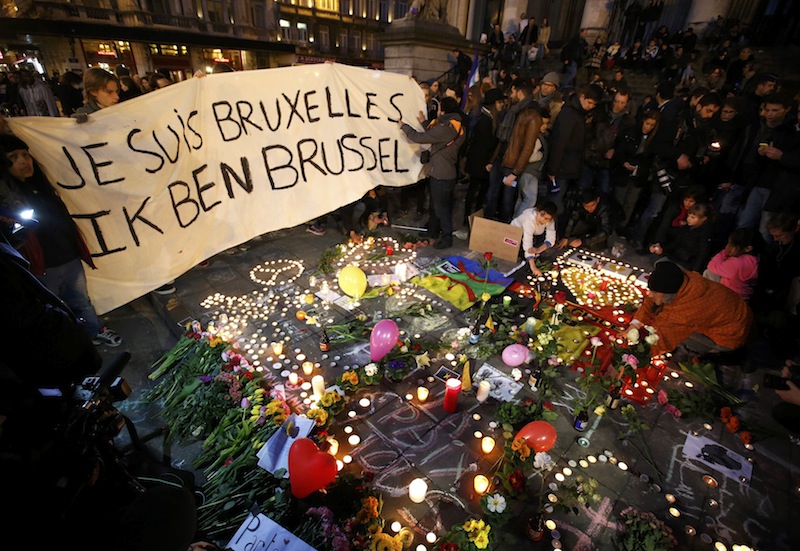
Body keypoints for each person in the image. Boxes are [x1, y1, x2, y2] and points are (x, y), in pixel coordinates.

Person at [0, 134, 123, 347]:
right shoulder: (8, 201)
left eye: (26, 155)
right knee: (54, 308)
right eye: (14, 156)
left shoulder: (44, 187)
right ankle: (72, 343)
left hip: (68, 256)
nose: (23, 161)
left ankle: (94, 332)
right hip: (41, 265)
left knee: (81, 301)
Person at [74, 69, 176, 295]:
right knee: (126, 237)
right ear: (93, 92)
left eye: (117, 91)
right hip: (109, 190)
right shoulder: (81, 119)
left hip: (134, 185)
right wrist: (77, 126)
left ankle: (157, 275)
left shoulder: (122, 112)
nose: (115, 96)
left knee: (148, 232)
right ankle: (136, 280)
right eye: (109, 92)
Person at [629, 260, 754, 359]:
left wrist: (635, 357)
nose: (650, 295)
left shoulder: (688, 310)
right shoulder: (685, 281)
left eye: (655, 292)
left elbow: (663, 339)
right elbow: (652, 300)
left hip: (731, 335)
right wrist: (635, 324)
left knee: (682, 338)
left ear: (669, 293)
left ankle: (701, 354)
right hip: (739, 312)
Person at [399, 96, 465, 250]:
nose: (438, 111)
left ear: (445, 110)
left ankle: (446, 237)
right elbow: (435, 132)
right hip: (444, 173)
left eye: (440, 108)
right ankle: (433, 231)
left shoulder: (446, 128)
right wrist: (424, 122)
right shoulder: (456, 126)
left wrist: (404, 126)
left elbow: (420, 137)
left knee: (441, 208)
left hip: (441, 175)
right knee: (436, 206)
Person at [546, 84, 602, 215]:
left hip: (569, 166)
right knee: (555, 201)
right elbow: (560, 142)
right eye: (589, 103)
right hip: (562, 167)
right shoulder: (570, 114)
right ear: (582, 96)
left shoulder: (577, 113)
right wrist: (553, 169)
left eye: (593, 104)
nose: (590, 106)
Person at [612, 110, 659, 232]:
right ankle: (612, 225)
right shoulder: (630, 132)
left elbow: (651, 160)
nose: (648, 127)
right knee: (618, 200)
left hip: (639, 177)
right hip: (623, 174)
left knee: (630, 203)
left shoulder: (654, 140)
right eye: (647, 123)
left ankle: (622, 227)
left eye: (651, 125)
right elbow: (620, 151)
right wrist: (624, 163)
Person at [462, 87, 503, 223]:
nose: (501, 105)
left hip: (482, 161)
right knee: (474, 190)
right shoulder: (484, 119)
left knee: (479, 190)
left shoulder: (489, 118)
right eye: (499, 102)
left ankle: (474, 216)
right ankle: (468, 217)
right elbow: (488, 142)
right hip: (479, 162)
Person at [647, 202, 714, 272]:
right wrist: (662, 249)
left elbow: (702, 255)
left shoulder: (705, 234)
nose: (688, 219)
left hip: (687, 263)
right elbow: (676, 242)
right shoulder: (686, 227)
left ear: (703, 218)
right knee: (656, 262)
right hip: (675, 257)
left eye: (693, 217)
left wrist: (695, 271)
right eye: (688, 216)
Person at [704, 227, 759, 301]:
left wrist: (724, 252)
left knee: (708, 272)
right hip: (743, 297)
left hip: (729, 296)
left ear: (747, 248)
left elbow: (711, 265)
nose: (728, 247)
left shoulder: (737, 262)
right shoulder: (754, 259)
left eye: (731, 245)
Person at [511, 201, 558, 276]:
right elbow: (528, 241)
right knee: (526, 257)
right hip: (516, 233)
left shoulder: (550, 220)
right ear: (537, 211)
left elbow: (551, 235)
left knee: (537, 248)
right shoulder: (529, 219)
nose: (542, 219)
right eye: (541, 215)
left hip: (536, 233)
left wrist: (539, 249)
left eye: (546, 219)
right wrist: (533, 267)